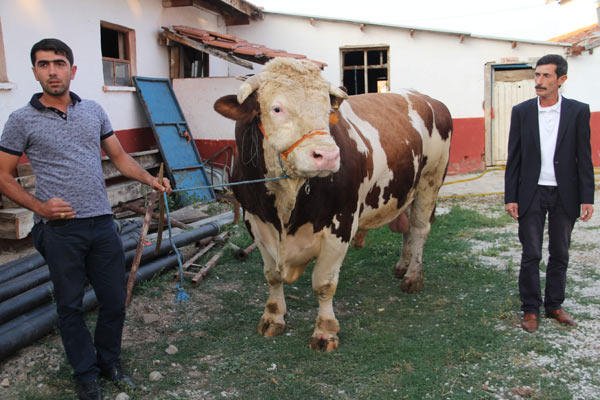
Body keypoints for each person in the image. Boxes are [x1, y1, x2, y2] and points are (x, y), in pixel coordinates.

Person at [0, 38, 171, 399]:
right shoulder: (20, 121)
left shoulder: (93, 111)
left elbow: (120, 157)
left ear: (72, 70)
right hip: (59, 230)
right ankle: (85, 373)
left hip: (102, 223)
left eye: (59, 63)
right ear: (34, 71)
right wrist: (39, 208)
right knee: (70, 306)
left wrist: (152, 179)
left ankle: (109, 362)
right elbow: (3, 175)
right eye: (43, 64)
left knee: (113, 300)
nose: (52, 71)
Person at [504, 54, 594, 333]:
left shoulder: (578, 111)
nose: (539, 82)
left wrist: (587, 197)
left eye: (546, 76)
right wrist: (511, 196)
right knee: (531, 252)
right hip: (531, 192)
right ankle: (530, 309)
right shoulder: (522, 112)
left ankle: (554, 305)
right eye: (537, 75)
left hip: (565, 194)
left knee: (560, 252)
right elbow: (514, 158)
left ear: (561, 80)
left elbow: (584, 156)